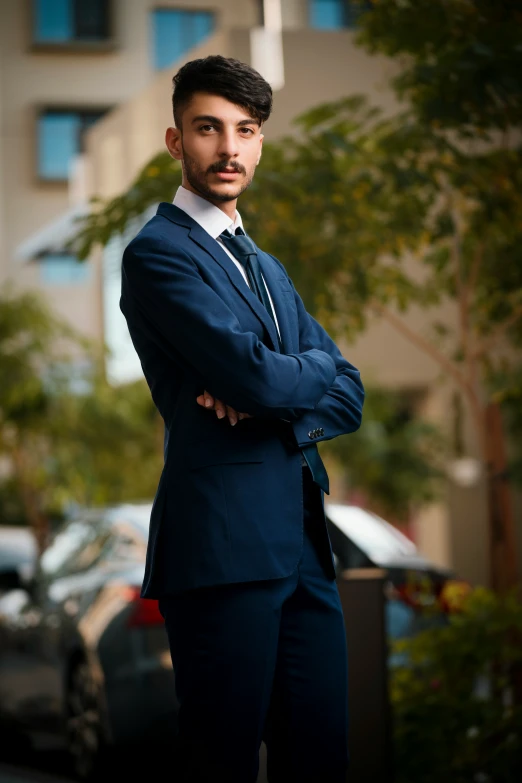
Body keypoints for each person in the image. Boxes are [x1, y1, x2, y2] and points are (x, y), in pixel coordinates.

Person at [120, 54, 364, 783]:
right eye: (208, 128)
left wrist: (281, 383)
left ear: (260, 142)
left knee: (320, 756)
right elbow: (258, 375)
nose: (229, 148)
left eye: (245, 130)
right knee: (222, 761)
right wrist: (280, 376)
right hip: (221, 549)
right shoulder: (159, 254)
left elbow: (348, 388)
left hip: (303, 547)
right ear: (176, 141)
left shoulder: (267, 266)